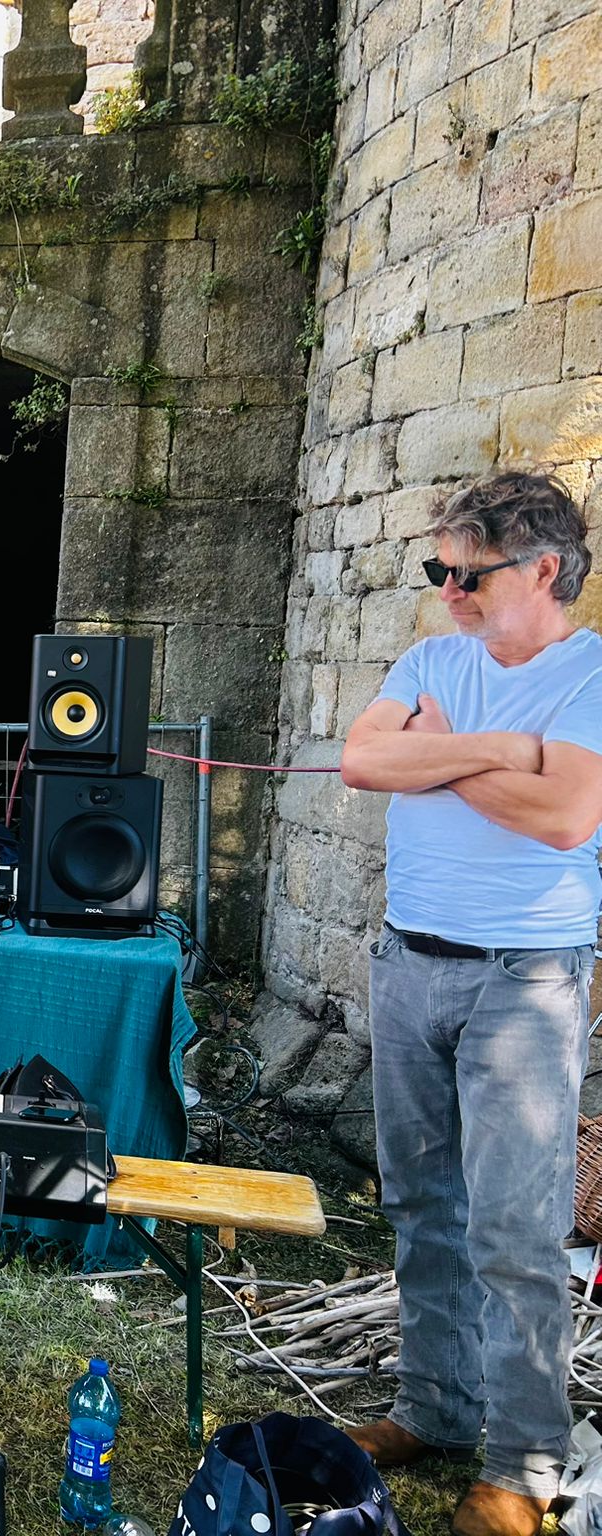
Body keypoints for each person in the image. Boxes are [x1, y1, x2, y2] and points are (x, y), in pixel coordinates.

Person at [338, 472, 602, 1536]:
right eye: (435, 570)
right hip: (409, 961)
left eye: (467, 574)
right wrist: (499, 751)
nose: (445, 591)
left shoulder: (590, 673)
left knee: (514, 1228)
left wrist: (435, 756)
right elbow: (362, 760)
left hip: (523, 978)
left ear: (543, 570)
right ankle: (434, 1410)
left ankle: (523, 1462)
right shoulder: (427, 661)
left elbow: (565, 817)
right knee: (419, 1203)